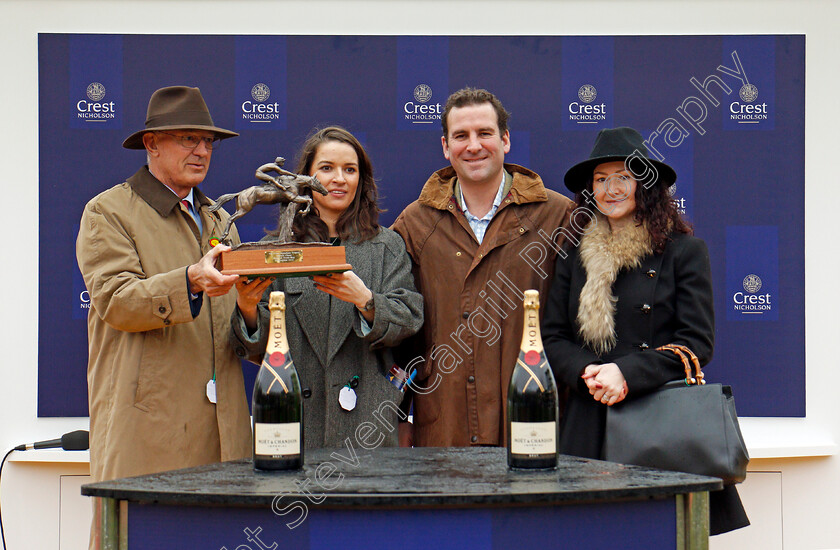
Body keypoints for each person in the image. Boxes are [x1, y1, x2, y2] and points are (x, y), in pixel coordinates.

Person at [541, 126, 748, 534]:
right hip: (588, 419)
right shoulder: (572, 253)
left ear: (645, 185)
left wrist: (627, 373)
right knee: (586, 536)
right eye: (601, 179)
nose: (610, 188)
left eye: (623, 176)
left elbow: (696, 342)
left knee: (655, 534)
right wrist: (591, 374)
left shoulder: (683, 252)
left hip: (657, 424)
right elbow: (554, 336)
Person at [76, 86, 252, 483]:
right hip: (149, 438)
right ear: (151, 144)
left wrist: (252, 312)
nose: (202, 151)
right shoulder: (107, 211)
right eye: (188, 138)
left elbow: (239, 335)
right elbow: (116, 300)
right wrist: (190, 279)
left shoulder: (220, 222)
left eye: (208, 141)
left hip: (226, 437)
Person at [392, 88, 575, 448]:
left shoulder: (558, 215)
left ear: (505, 140)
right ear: (446, 147)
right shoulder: (414, 224)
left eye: (484, 133)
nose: (473, 145)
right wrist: (400, 416)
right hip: (444, 426)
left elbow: (580, 323)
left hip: (532, 420)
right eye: (461, 136)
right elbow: (400, 337)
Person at [231, 126, 423, 448]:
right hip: (295, 425)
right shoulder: (276, 252)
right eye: (326, 168)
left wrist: (366, 301)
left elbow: (410, 319)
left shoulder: (387, 246)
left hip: (368, 429)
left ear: (362, 180)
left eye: (350, 170)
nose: (339, 179)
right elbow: (254, 350)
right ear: (305, 178)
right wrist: (248, 309)